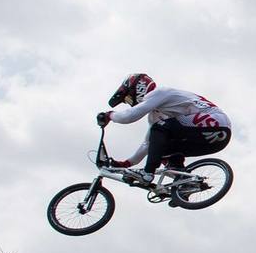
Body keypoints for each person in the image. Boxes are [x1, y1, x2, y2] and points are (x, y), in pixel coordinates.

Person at [96, 73, 232, 185]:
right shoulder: (158, 114)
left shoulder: (159, 93)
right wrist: (126, 163)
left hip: (215, 121)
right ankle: (184, 184)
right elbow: (148, 145)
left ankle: (147, 173)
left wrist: (109, 115)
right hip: (218, 138)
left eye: (129, 98)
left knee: (159, 129)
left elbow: (130, 116)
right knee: (160, 147)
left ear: (139, 87)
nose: (131, 103)